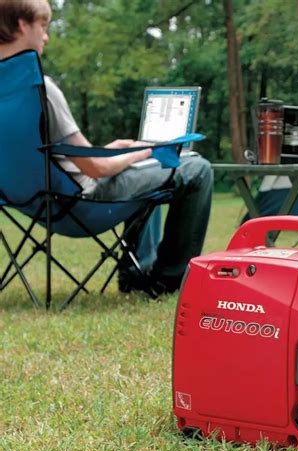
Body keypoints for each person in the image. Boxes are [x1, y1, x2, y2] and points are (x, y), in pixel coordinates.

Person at [0, 0, 213, 297]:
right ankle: (167, 280)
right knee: (197, 168)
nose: (46, 37)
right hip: (83, 205)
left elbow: (54, 154)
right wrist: (145, 149)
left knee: (142, 170)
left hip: (35, 205)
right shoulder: (40, 89)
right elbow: (97, 168)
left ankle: (135, 273)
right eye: (43, 26)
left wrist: (116, 151)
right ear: (22, 25)